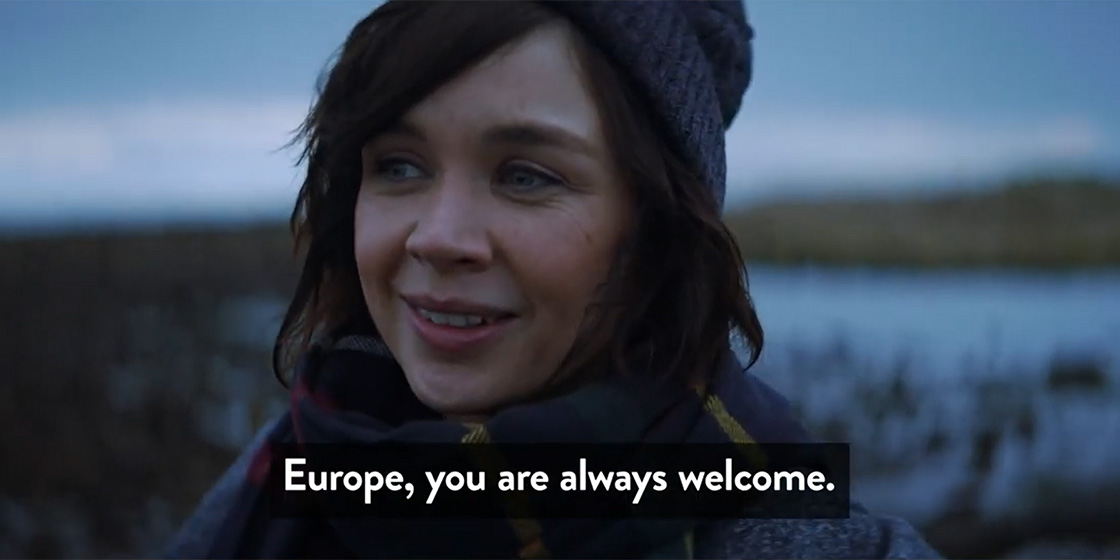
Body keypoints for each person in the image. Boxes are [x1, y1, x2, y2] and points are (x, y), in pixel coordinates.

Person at [166, 1, 941, 558]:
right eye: (399, 166)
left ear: (656, 227)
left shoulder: (807, 543)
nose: (439, 237)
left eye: (527, 177)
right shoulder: (290, 479)